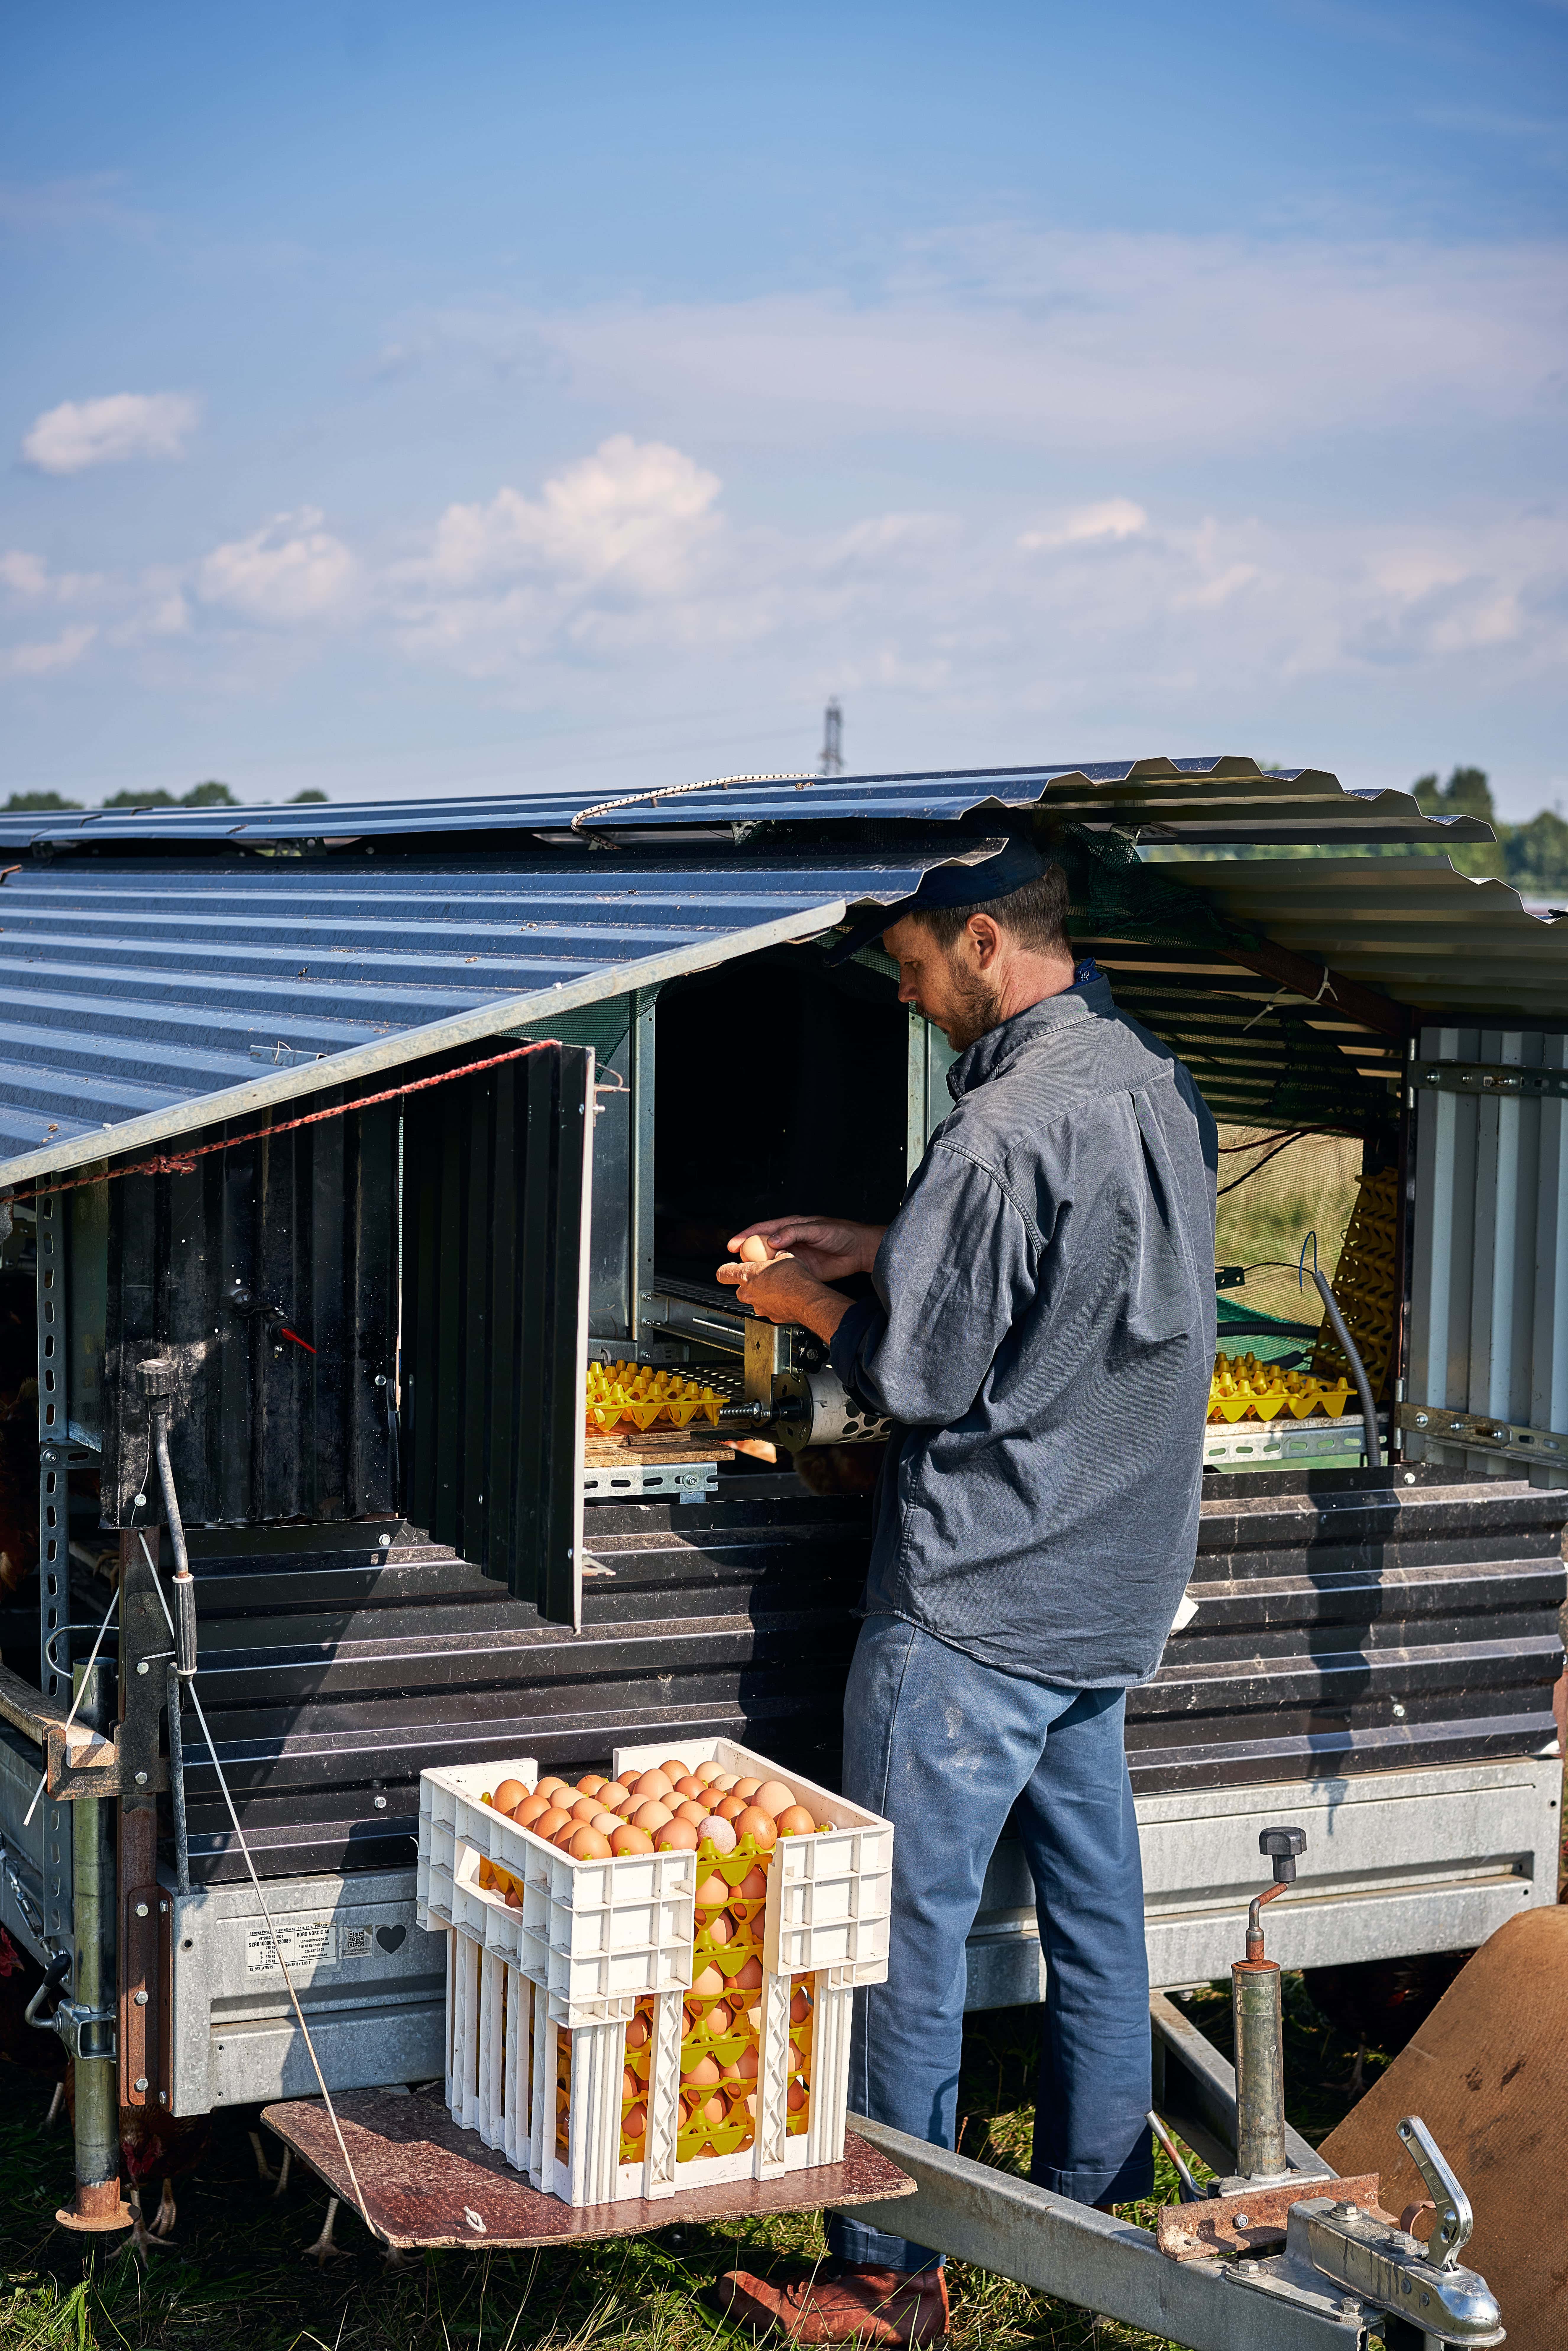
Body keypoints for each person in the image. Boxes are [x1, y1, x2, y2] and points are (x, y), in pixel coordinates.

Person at [710, 841, 1217, 2347]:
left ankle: (887, 2268)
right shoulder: (1155, 1081)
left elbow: (913, 1375)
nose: (920, 1004)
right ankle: (1098, 2195)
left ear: (985, 939)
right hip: (1113, 1583)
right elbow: (1066, 1289)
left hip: (980, 1594)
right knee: (1098, 1905)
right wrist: (889, 1243)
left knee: (906, 1933)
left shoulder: (994, 1127)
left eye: (923, 971)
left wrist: (810, 1300)